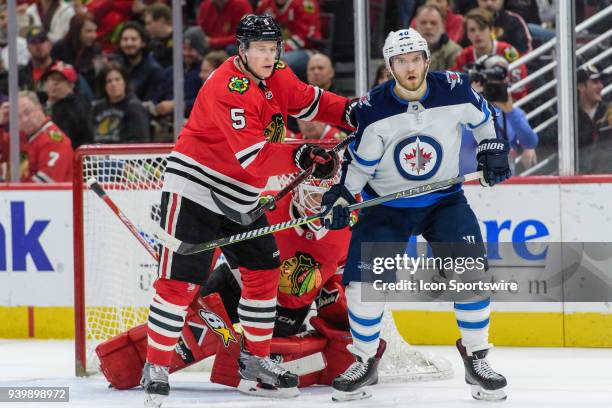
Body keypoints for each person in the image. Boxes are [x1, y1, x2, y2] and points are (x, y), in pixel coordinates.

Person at [140, 14, 355, 407]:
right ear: (241, 49)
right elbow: (254, 158)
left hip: (242, 196)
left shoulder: (277, 74)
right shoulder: (228, 86)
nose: (268, 55)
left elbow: (311, 101)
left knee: (263, 272)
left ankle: (254, 361)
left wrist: (350, 114)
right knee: (179, 281)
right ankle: (155, 365)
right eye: (260, 48)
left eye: (273, 48)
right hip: (197, 190)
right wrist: (304, 152)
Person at [321, 28, 509, 402]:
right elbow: (362, 165)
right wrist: (343, 195)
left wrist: (491, 147)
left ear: (426, 59)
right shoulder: (374, 108)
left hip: (444, 201)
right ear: (390, 67)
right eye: (401, 61)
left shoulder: (454, 88)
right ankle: (364, 360)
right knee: (361, 286)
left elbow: (484, 116)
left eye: (415, 59)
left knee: (470, 274)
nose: (410, 67)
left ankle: (477, 357)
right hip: (386, 205)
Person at [460, 55, 538, 174]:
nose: (498, 83)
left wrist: (511, 112)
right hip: (469, 184)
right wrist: (472, 103)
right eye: (492, 78)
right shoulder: (463, 110)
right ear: (479, 81)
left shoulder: (513, 113)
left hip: (505, 185)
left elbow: (530, 142)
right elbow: (463, 144)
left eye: (502, 78)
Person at [452, 8, 528, 100]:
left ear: (491, 29)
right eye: (472, 30)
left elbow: (520, 89)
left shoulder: (507, 51)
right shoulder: (463, 57)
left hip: (508, 105)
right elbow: (454, 87)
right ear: (467, 34)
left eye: (482, 28)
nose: (477, 34)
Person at [0, 91, 73, 182]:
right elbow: (2, 152)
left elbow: (45, 184)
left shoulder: (55, 141)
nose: (25, 120)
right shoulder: (20, 136)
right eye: (18, 116)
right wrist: (1, 124)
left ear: (40, 108)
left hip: (52, 195)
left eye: (28, 112)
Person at [149, 27, 206, 141]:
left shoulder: (203, 72)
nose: (186, 53)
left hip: (193, 127)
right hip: (165, 126)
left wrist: (178, 105)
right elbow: (156, 96)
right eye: (183, 49)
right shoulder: (170, 72)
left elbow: (206, 101)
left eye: (190, 49)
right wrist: (157, 107)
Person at [256, 0, 321, 77]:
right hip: (274, 49)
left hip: (307, 50)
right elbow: (257, 30)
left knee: (279, 62)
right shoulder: (265, 4)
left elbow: (303, 37)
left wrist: (277, 51)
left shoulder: (306, 4)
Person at [90, 62, 151, 143]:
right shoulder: (97, 108)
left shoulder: (135, 107)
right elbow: (88, 137)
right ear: (103, 85)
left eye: (117, 79)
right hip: (98, 153)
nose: (114, 84)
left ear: (125, 82)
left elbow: (140, 141)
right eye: (109, 81)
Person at [110, 21, 163, 104]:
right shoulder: (116, 65)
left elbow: (151, 102)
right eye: (125, 39)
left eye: (134, 39)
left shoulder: (154, 70)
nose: (129, 43)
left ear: (143, 43)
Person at [51, 12, 102, 98]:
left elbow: (99, 78)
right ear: (77, 31)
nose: (94, 35)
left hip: (90, 92)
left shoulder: (96, 49)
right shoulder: (59, 47)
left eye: (95, 31)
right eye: (89, 31)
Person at [44, 61, 93, 148]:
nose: (54, 83)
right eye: (52, 79)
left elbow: (61, 138)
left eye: (60, 80)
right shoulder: (43, 105)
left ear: (71, 85)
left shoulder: (75, 107)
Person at [577, 65, 611, 174]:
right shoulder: (571, 117)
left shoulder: (609, 111)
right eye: (595, 82)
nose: (601, 86)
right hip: (579, 179)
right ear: (581, 87)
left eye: (601, 82)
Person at [414, 4, 462, 71]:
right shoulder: (405, 49)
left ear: (442, 26)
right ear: (416, 25)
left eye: (433, 23)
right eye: (423, 23)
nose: (428, 27)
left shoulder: (454, 51)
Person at [144, 3, 173, 69]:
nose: (146, 28)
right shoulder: (152, 44)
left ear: (161, 21)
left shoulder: (180, 39)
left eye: (149, 23)